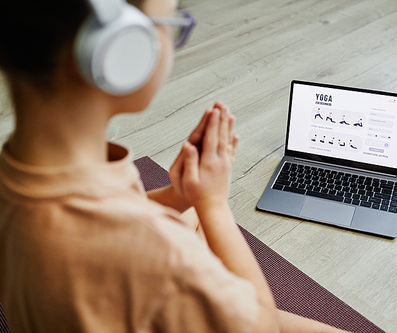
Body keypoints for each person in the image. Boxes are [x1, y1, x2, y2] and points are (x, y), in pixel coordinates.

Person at [0, 0, 348, 332]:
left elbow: (96, 217)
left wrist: (180, 196)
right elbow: (262, 326)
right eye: (171, 22)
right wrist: (213, 204)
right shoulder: (158, 251)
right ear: (119, 47)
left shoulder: (24, 173)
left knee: (189, 216)